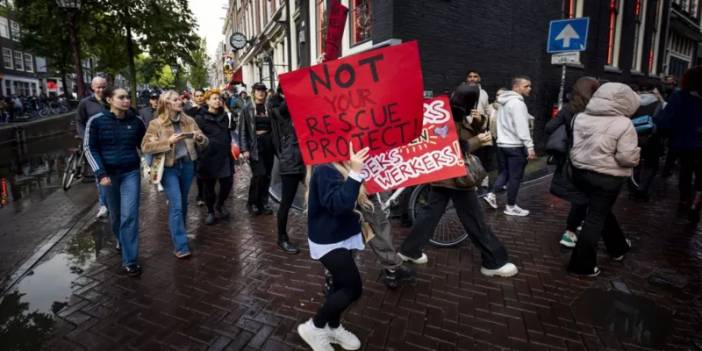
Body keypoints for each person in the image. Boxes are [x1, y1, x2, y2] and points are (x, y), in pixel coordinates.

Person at [398, 83, 518, 278]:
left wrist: (478, 124)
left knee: (431, 214)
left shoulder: (452, 112)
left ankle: (409, 250)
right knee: (474, 218)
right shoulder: (449, 116)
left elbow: (459, 137)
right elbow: (450, 146)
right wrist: (479, 140)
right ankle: (494, 261)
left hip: (446, 175)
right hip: (456, 177)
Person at [297, 143, 369, 351]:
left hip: (344, 234)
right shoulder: (324, 167)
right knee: (352, 288)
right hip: (329, 239)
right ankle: (316, 326)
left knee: (339, 285)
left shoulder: (341, 160)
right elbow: (338, 205)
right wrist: (355, 173)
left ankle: (333, 326)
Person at [568, 82, 640, 277]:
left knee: (601, 210)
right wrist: (636, 155)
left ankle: (618, 247)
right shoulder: (624, 123)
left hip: (581, 173)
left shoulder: (580, 117)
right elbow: (625, 158)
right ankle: (582, 265)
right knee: (595, 217)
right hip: (607, 177)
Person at [84, 87, 146, 276]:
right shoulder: (96, 121)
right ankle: (121, 239)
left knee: (130, 216)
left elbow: (144, 145)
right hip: (108, 176)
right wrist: (100, 173)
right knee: (117, 215)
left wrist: (154, 160)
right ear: (109, 100)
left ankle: (130, 261)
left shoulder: (136, 122)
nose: (126, 100)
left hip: (130, 173)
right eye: (121, 97)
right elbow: (89, 148)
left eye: (128, 97)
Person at [142, 90, 209, 259]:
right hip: (168, 168)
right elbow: (146, 147)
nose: (180, 101)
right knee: (177, 205)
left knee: (183, 204)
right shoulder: (156, 124)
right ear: (166, 103)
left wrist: (199, 138)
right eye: (175, 100)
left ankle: (179, 233)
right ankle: (180, 245)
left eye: (180, 99)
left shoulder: (189, 120)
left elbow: (205, 142)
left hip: (187, 166)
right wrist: (168, 142)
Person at [545, 77, 600, 248]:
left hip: (571, 158)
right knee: (587, 196)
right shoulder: (597, 110)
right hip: (592, 158)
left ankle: (573, 228)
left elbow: (548, 128)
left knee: (579, 195)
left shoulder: (569, 109)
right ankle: (572, 230)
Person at [484, 76, 536, 216]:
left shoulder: (503, 102)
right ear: (516, 87)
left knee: (505, 172)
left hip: (502, 144)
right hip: (514, 146)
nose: (529, 88)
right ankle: (511, 206)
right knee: (515, 178)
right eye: (526, 86)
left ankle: (491, 194)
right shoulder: (518, 103)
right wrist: (529, 146)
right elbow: (522, 127)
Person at [658, 66, 702, 222]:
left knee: (686, 171)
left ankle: (684, 199)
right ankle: (696, 203)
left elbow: (665, 120)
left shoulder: (679, 96)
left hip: (685, 143)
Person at [268, 89, 303, 254]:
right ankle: (281, 238)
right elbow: (285, 107)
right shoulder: (277, 107)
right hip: (290, 161)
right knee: (286, 203)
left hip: (307, 160)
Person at [194, 89, 235, 225]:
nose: (217, 101)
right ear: (207, 101)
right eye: (214, 98)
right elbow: (197, 139)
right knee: (209, 188)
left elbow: (232, 127)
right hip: (208, 157)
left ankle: (220, 204)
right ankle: (211, 211)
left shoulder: (225, 116)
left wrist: (229, 113)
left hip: (224, 156)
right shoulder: (200, 118)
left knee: (227, 183)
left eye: (219, 98)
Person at [239, 83, 276, 215]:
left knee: (267, 175)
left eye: (263, 91)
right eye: (258, 91)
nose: (261, 93)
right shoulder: (247, 108)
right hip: (255, 145)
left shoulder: (269, 107)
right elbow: (243, 130)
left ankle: (264, 202)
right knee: (258, 175)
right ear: (253, 92)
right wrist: (244, 149)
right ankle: (253, 202)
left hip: (269, 145)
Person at [77, 76, 109, 219]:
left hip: (111, 142)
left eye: (103, 86)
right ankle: (103, 205)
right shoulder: (85, 103)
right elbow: (79, 122)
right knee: (99, 174)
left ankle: (112, 201)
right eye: (98, 87)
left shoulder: (110, 100)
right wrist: (86, 138)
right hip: (95, 144)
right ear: (92, 88)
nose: (101, 89)